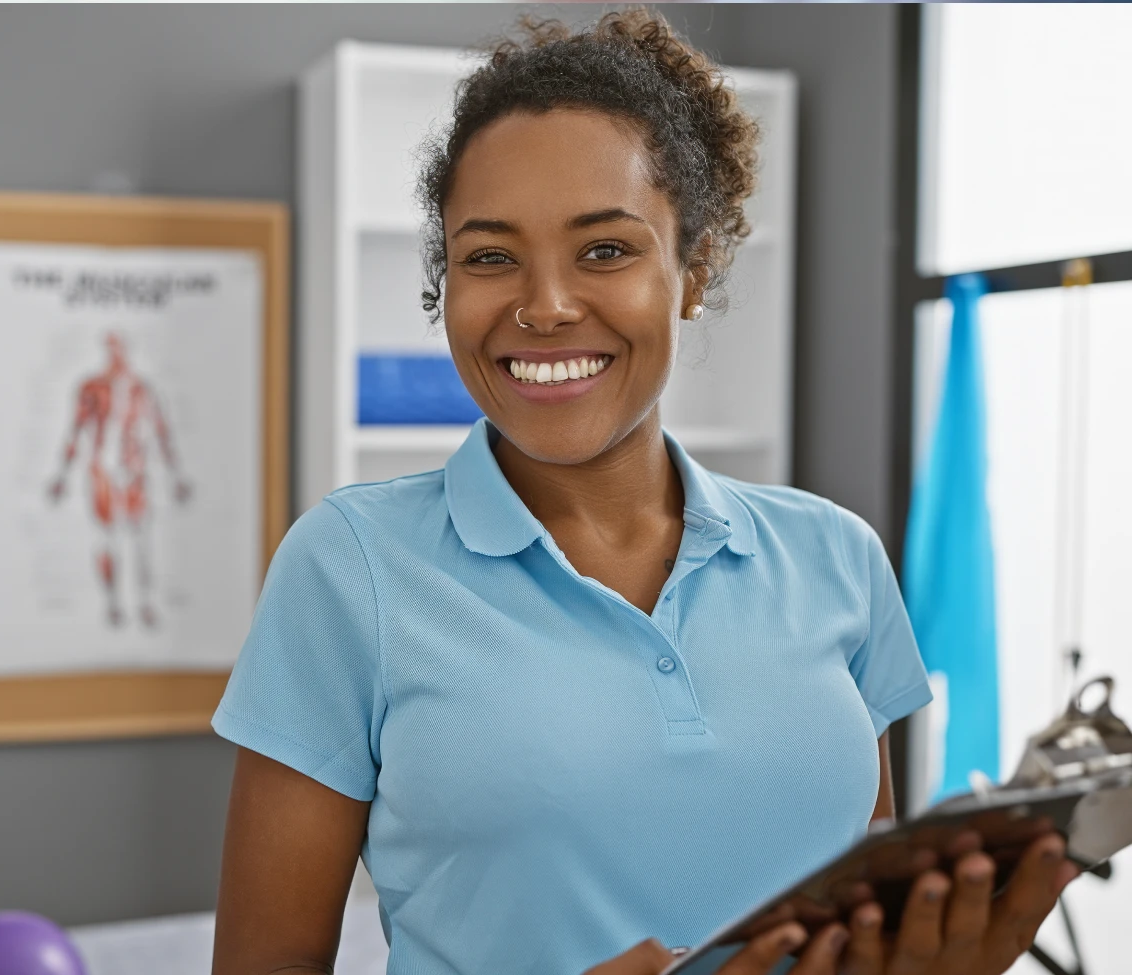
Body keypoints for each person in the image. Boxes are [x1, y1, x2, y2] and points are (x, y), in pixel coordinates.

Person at [211, 12, 1076, 975]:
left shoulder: (835, 555)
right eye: (490, 255)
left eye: (606, 250)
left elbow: (857, 919)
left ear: (693, 271)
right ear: (445, 279)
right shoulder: (350, 568)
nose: (543, 307)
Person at [48, 332, 191, 629]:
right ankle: (113, 603)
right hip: (103, 471)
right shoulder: (92, 388)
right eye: (112, 350)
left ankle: (144, 602)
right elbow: (75, 430)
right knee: (108, 538)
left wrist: (175, 475)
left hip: (134, 471)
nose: (117, 356)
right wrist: (62, 475)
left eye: (120, 349)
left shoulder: (142, 390)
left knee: (140, 538)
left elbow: (161, 431)